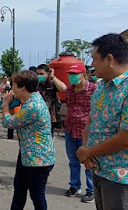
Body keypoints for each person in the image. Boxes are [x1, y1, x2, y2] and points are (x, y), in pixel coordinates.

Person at [76, 33, 128, 210]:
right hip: (99, 170)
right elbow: (92, 119)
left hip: (119, 178)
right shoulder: (102, 87)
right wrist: (86, 151)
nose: (91, 65)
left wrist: (89, 151)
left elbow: (125, 138)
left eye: (94, 59)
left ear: (109, 59)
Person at [2, 70, 55, 210]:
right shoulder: (30, 100)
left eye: (13, 85)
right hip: (28, 154)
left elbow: (9, 123)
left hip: (39, 158)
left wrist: (5, 104)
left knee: (37, 195)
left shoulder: (33, 106)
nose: (11, 88)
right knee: (19, 189)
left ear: (22, 87)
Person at [63, 64, 97, 203]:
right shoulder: (70, 90)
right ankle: (75, 186)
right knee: (73, 161)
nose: (72, 76)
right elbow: (69, 106)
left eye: (75, 73)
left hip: (86, 132)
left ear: (84, 74)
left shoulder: (94, 89)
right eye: (70, 73)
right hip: (70, 129)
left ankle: (91, 190)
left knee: (88, 161)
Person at [36, 64, 67, 135]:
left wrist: (52, 77)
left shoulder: (51, 83)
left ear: (47, 74)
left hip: (49, 116)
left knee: (48, 137)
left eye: (41, 74)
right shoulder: (34, 84)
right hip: (35, 115)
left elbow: (63, 88)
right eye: (37, 74)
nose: (39, 76)